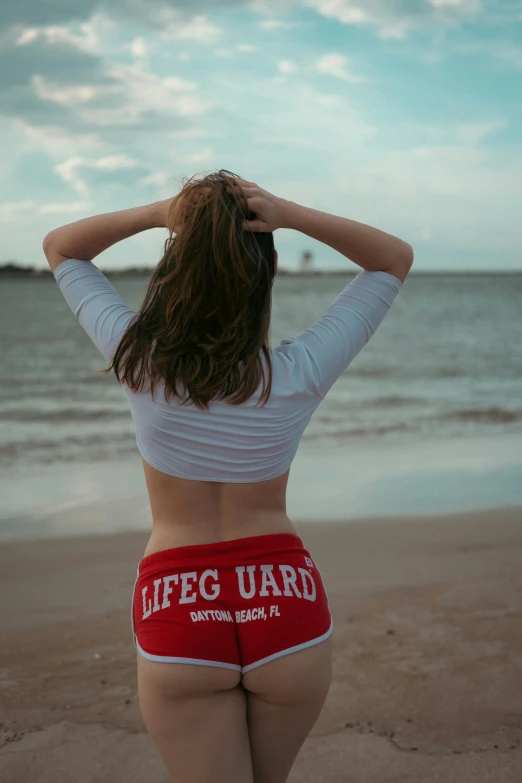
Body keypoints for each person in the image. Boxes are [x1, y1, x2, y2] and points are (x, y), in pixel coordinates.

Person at [43, 170, 414, 783]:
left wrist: (161, 213)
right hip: (283, 598)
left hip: (180, 603)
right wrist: (289, 214)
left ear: (175, 269)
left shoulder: (139, 360)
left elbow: (63, 247)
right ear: (267, 275)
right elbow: (392, 260)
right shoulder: (297, 371)